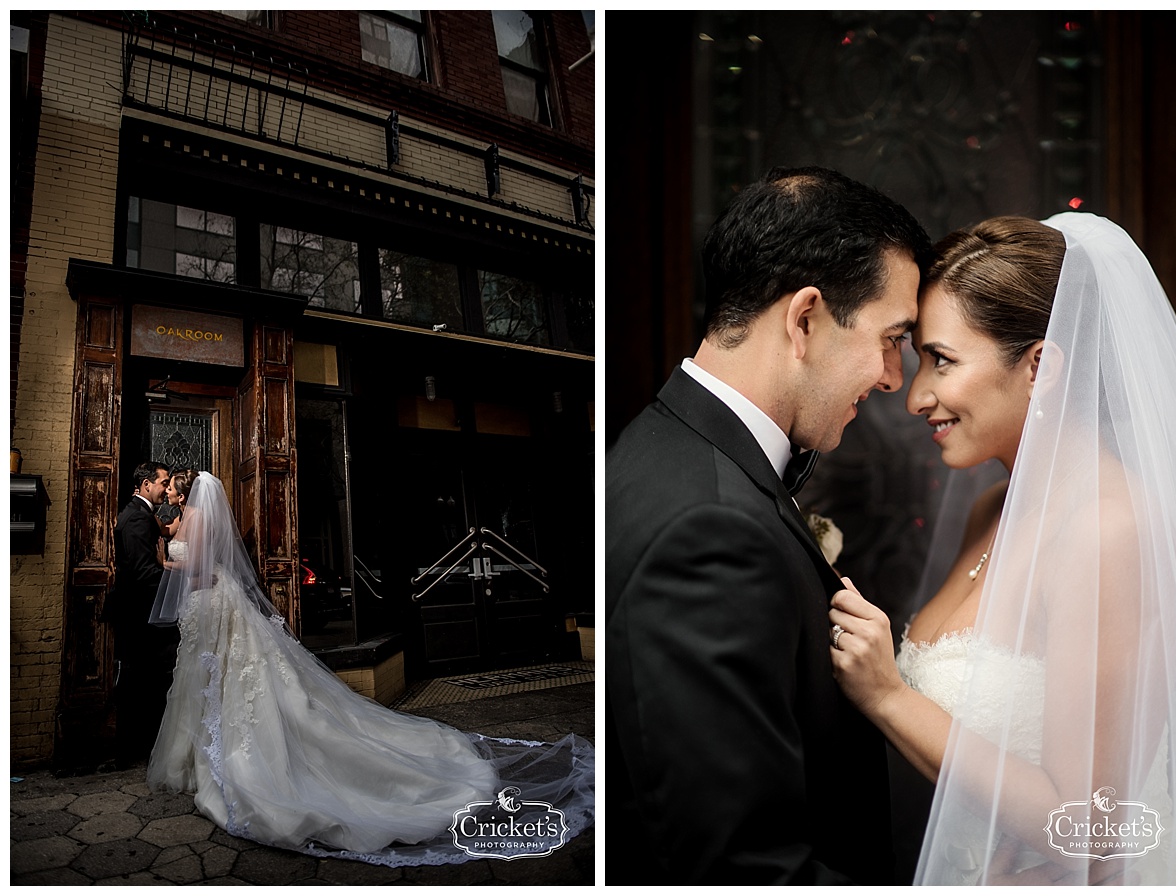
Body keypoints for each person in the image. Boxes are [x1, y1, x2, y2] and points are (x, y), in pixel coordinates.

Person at [829, 213, 1176, 884]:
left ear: (1040, 367)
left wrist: (887, 696)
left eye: (941, 361)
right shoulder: (994, 508)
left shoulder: (1108, 531)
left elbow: (1090, 831)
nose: (915, 397)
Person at [606, 166, 932, 883]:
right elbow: (742, 866)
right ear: (805, 319)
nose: (894, 377)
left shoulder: (669, 448)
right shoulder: (710, 528)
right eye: (891, 339)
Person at [145, 470, 594, 866]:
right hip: (214, 605)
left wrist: (167, 557)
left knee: (225, 677)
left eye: (171, 487)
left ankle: (230, 762)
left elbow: (199, 568)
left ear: (184, 495)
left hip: (211, 600)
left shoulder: (195, 519)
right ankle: (206, 754)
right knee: (214, 677)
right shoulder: (190, 518)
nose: (168, 492)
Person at [104, 460, 176, 767]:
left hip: (144, 613)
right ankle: (132, 749)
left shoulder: (144, 514)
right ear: (146, 484)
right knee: (141, 681)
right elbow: (145, 573)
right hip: (140, 613)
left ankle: (139, 747)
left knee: (144, 680)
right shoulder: (136, 518)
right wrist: (180, 588)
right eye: (162, 482)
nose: (165, 488)